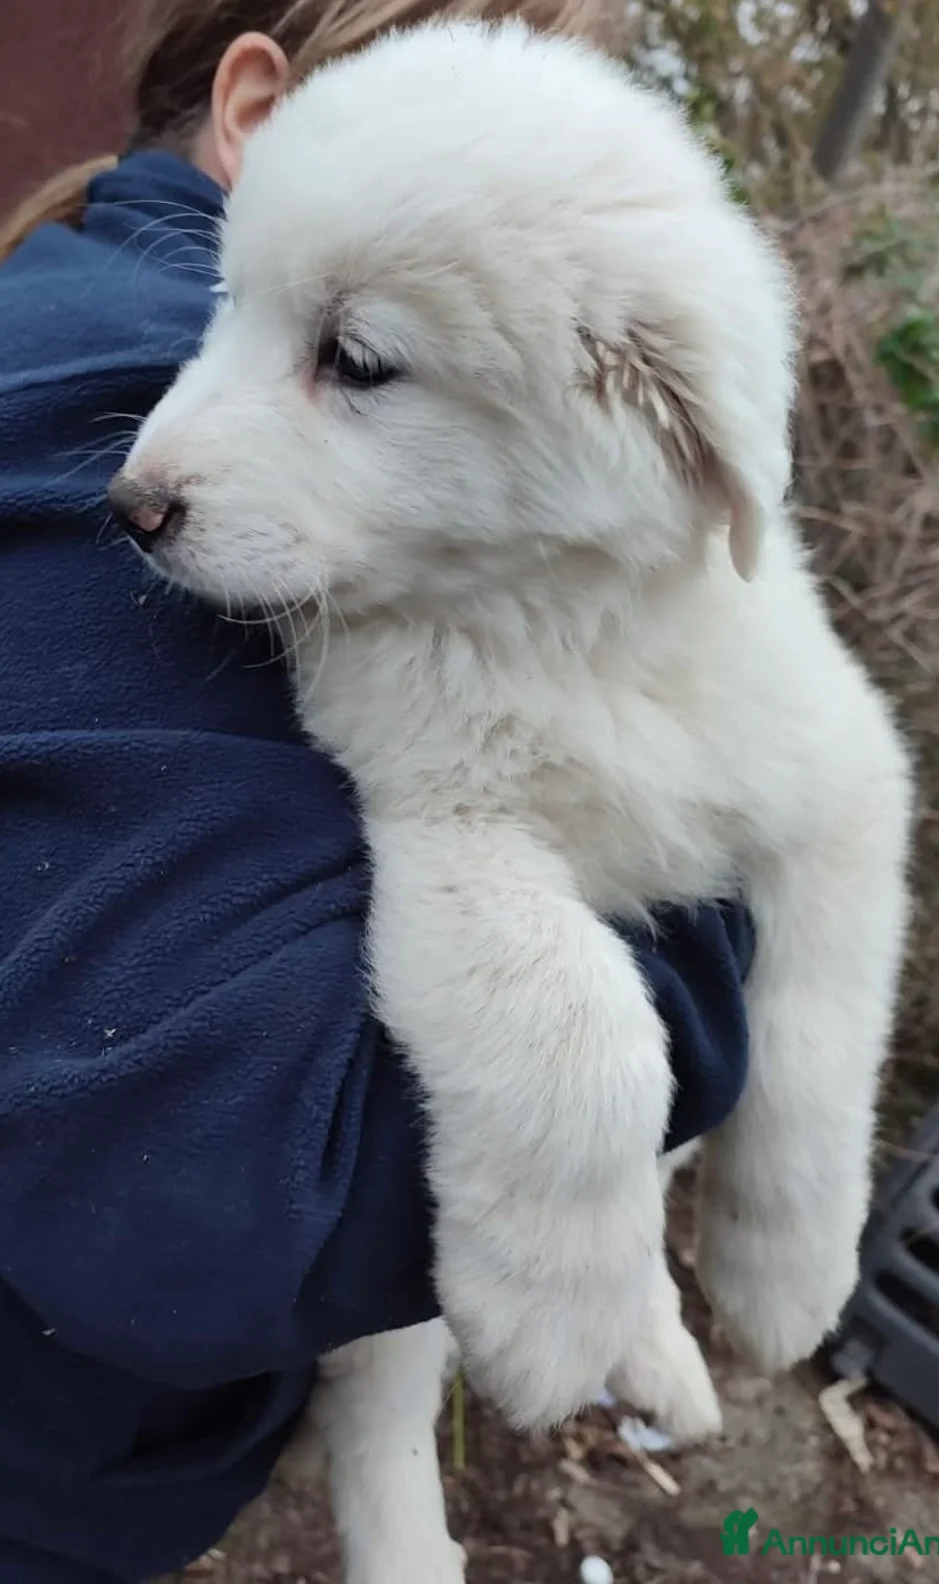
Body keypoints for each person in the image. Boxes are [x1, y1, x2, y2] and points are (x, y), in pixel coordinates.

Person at [0, 2, 756, 1579]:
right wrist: (699, 958)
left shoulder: (99, 312)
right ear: (260, 112)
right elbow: (234, 1188)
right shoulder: (109, 391)